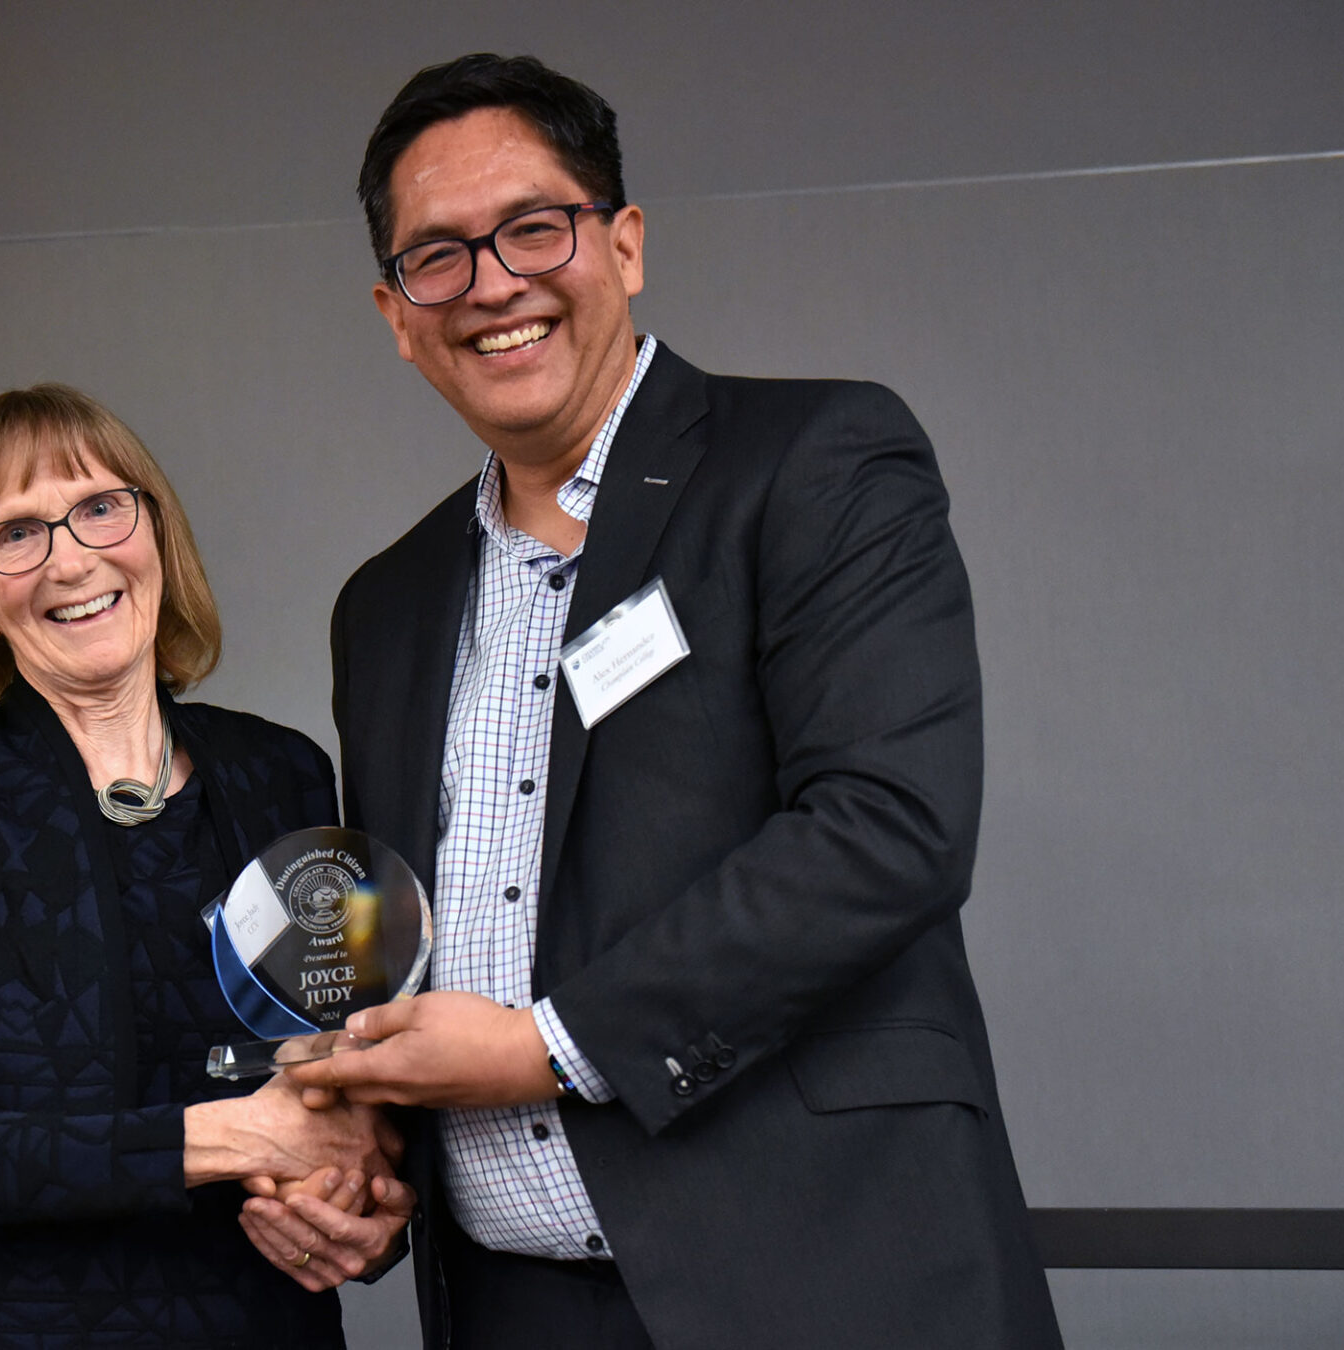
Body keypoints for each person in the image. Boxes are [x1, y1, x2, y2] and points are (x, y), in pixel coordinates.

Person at [246, 54, 1065, 1348]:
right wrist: (364, 1160)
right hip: (512, 1308)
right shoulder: (385, 605)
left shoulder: (816, 464)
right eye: (438, 257)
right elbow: (409, 944)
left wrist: (544, 1044)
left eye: (535, 226)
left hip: (822, 1284)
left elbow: (886, 827)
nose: (494, 282)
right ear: (398, 315)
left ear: (623, 244)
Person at [0, 383, 413, 1348]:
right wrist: (230, 1138)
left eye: (101, 506)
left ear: (155, 534)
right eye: (16, 532)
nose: (72, 557)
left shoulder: (283, 775)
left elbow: (349, 1078)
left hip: (262, 1324)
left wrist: (369, 1202)